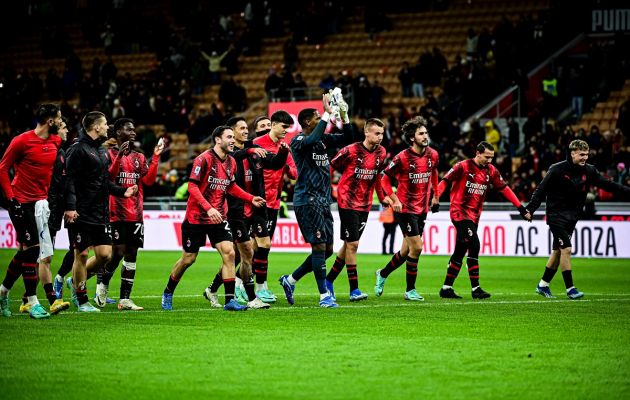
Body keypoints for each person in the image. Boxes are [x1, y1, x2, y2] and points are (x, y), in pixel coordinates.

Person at [160, 126, 265, 311]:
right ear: (218, 139)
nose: (233, 140)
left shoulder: (231, 162)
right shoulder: (204, 159)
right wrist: (208, 209)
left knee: (230, 253)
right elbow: (192, 187)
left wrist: (250, 198)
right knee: (188, 259)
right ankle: (168, 292)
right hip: (196, 218)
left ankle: (230, 300)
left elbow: (230, 187)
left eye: (234, 137)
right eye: (229, 137)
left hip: (218, 217)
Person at [526, 139, 630, 299]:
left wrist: (627, 191)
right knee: (566, 248)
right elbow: (540, 190)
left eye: (587, 155)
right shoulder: (556, 170)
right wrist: (530, 209)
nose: (585, 158)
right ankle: (570, 289)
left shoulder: (589, 171)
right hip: (555, 216)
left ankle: (543, 285)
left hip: (572, 217)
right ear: (572, 153)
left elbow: (608, 184)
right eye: (581, 154)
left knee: (558, 252)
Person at [278, 93, 355, 308]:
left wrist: (345, 116)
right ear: (306, 122)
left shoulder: (322, 140)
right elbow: (312, 138)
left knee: (328, 249)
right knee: (319, 246)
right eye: (317, 116)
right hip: (307, 200)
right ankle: (324, 296)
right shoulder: (299, 141)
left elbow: (348, 139)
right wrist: (328, 115)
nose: (321, 117)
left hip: (323, 201)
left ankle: (290, 280)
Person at [204, 116, 288, 308]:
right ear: (231, 133)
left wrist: (282, 154)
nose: (245, 131)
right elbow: (235, 157)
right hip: (237, 210)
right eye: (241, 128)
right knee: (242, 254)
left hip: (257, 205)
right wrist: (249, 149)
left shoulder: (255, 150)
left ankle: (245, 288)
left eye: (245, 128)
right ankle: (244, 293)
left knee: (260, 246)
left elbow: (274, 164)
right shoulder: (230, 153)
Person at [436, 141, 531, 299]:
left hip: (474, 216)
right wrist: (435, 198)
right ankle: (476, 289)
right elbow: (445, 181)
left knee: (460, 249)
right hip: (459, 212)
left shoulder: (491, 170)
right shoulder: (462, 166)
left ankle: (446, 288)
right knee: (474, 244)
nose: (489, 160)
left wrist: (520, 208)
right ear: (477, 153)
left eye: (492, 157)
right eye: (487, 157)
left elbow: (504, 188)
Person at [64, 111, 138, 313]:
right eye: (105, 124)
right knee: (81, 254)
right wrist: (70, 207)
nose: (108, 127)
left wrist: (123, 192)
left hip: (100, 212)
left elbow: (105, 183)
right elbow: (68, 179)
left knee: (105, 255)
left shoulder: (101, 151)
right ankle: (82, 299)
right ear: (96, 127)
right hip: (80, 211)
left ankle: (74, 281)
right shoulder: (77, 150)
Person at [0, 104, 63, 319]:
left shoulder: (56, 141)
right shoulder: (21, 141)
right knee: (34, 249)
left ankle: (3, 292)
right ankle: (32, 302)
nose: (61, 122)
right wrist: (11, 200)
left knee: (26, 252)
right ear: (50, 121)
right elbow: (2, 167)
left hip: (41, 204)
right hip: (21, 202)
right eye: (59, 119)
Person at [95, 118, 163, 311]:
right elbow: (108, 176)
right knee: (115, 254)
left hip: (136, 213)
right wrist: (118, 156)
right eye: (129, 129)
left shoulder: (139, 157)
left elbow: (148, 181)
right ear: (117, 132)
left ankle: (125, 299)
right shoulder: (107, 154)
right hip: (115, 212)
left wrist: (155, 157)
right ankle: (102, 284)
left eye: (134, 129)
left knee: (131, 253)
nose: (133, 132)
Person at [324, 118, 390, 302]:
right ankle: (354, 290)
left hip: (365, 204)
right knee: (353, 245)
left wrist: (382, 196)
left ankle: (329, 281)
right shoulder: (351, 150)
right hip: (347, 202)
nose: (380, 137)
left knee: (348, 245)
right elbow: (332, 165)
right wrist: (330, 188)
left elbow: (377, 176)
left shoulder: (381, 153)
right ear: (366, 133)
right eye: (376, 133)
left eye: (382, 133)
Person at [374, 116, 438, 302]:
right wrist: (394, 199)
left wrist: (435, 195)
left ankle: (383, 273)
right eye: (421, 133)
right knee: (417, 247)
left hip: (422, 208)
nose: (425, 136)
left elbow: (433, 171)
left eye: (426, 133)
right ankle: (410, 290)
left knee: (405, 251)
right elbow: (385, 178)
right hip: (405, 208)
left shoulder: (432, 155)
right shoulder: (402, 157)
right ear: (412, 138)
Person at [19, 118, 71, 315]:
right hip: (38, 208)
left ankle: (25, 298)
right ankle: (50, 299)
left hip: (52, 211)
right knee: (41, 256)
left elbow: (63, 185)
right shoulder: (44, 152)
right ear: (56, 129)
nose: (67, 130)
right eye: (64, 127)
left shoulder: (61, 153)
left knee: (38, 256)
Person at [253, 110, 297, 301]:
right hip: (254, 202)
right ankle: (255, 286)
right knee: (249, 249)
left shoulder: (284, 147)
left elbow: (294, 173)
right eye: (284, 127)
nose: (286, 131)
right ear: (273, 124)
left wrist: (293, 167)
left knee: (260, 247)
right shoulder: (256, 145)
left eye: (288, 128)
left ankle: (247, 284)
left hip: (273, 203)